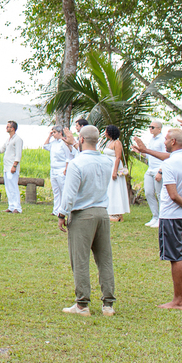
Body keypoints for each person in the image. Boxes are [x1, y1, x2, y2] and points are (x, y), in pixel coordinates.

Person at [133, 127, 182, 309]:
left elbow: (173, 195)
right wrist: (145, 151)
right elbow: (168, 157)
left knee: (176, 257)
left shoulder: (170, 165)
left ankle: (178, 300)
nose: (164, 142)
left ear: (173, 142)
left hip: (173, 216)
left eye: (166, 139)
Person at [56, 125, 116, 316]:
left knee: (80, 259)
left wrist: (62, 213)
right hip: (102, 212)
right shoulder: (107, 161)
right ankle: (108, 304)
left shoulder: (77, 163)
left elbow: (70, 192)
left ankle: (82, 304)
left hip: (83, 214)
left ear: (80, 140)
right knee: (104, 259)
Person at [44, 125, 75, 216]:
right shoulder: (53, 143)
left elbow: (68, 156)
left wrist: (66, 168)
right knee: (56, 190)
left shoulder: (63, 142)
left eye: (54, 132)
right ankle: (56, 210)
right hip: (53, 169)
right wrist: (49, 136)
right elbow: (45, 146)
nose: (53, 134)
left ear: (60, 133)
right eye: (52, 132)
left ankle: (64, 209)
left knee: (63, 190)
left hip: (61, 169)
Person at [140, 121, 167, 227]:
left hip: (158, 169)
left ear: (159, 129)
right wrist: (140, 150)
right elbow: (148, 156)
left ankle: (161, 217)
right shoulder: (151, 140)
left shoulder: (162, 140)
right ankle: (155, 216)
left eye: (152, 127)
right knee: (148, 193)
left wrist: (160, 171)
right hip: (150, 169)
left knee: (160, 194)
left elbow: (165, 156)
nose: (150, 129)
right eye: (149, 127)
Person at [102, 126, 131, 221]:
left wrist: (114, 171)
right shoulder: (109, 142)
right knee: (109, 188)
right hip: (108, 165)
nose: (105, 133)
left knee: (115, 188)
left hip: (115, 165)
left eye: (106, 131)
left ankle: (118, 212)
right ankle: (110, 210)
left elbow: (118, 157)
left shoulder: (117, 143)